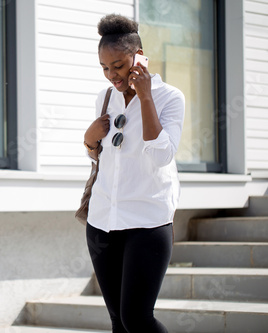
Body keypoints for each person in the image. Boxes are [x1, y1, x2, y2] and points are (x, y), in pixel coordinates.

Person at [84, 14, 185, 333]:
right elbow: (102, 156)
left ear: (139, 57)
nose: (111, 75)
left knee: (137, 319)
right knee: (118, 322)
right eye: (104, 67)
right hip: (103, 219)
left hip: (147, 220)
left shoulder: (170, 97)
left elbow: (163, 155)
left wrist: (144, 97)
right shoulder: (104, 99)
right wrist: (89, 139)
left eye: (118, 65)